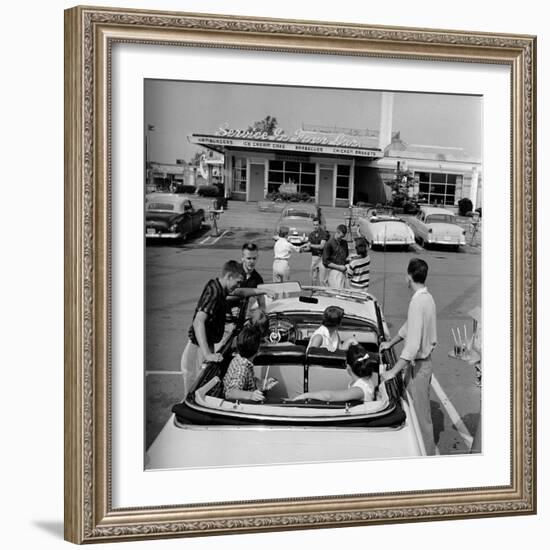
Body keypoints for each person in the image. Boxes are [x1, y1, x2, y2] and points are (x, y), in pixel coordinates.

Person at [379, 257, 437, 455]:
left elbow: (412, 346)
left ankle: (426, 456)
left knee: (421, 418)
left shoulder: (417, 303)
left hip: (419, 366)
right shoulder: (426, 298)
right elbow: (408, 327)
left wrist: (392, 372)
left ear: (408, 277)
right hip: (421, 364)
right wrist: (391, 342)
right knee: (415, 412)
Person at [180, 260, 244, 397]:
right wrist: (207, 353)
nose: (238, 286)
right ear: (229, 276)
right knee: (195, 389)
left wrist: (262, 290)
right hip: (197, 347)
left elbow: (241, 292)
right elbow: (199, 322)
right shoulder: (214, 293)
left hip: (206, 344)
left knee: (204, 384)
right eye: (237, 282)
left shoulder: (220, 288)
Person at [292, 343, 378, 402]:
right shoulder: (365, 380)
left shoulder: (359, 390)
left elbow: (329, 396)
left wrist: (305, 395)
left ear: (347, 366)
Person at [223, 326, 276, 401]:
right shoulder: (242, 369)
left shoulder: (238, 359)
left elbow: (247, 382)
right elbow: (229, 393)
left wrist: (262, 384)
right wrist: (251, 395)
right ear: (258, 350)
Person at [322, 224, 349, 289]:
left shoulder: (344, 243)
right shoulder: (329, 244)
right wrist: (339, 267)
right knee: (337, 293)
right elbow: (325, 262)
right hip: (333, 272)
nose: (341, 238)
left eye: (343, 237)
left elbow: (346, 256)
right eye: (340, 236)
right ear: (337, 232)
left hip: (343, 272)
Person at [306, 217, 329, 286]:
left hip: (321, 258)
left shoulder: (323, 234)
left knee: (322, 280)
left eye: (316, 225)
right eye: (314, 225)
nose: (315, 226)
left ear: (319, 225)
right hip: (314, 258)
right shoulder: (311, 235)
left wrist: (311, 245)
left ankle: (324, 293)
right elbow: (308, 248)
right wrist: (302, 249)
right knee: (313, 279)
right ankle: (313, 293)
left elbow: (322, 246)